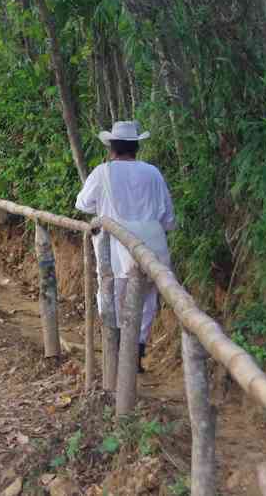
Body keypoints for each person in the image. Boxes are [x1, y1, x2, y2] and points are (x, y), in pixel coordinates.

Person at [75, 121, 176, 373]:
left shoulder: (102, 172)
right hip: (150, 244)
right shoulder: (153, 173)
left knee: (111, 293)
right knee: (146, 299)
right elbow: (168, 218)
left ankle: (116, 350)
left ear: (112, 147)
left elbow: (83, 204)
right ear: (136, 146)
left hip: (114, 246)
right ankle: (136, 354)